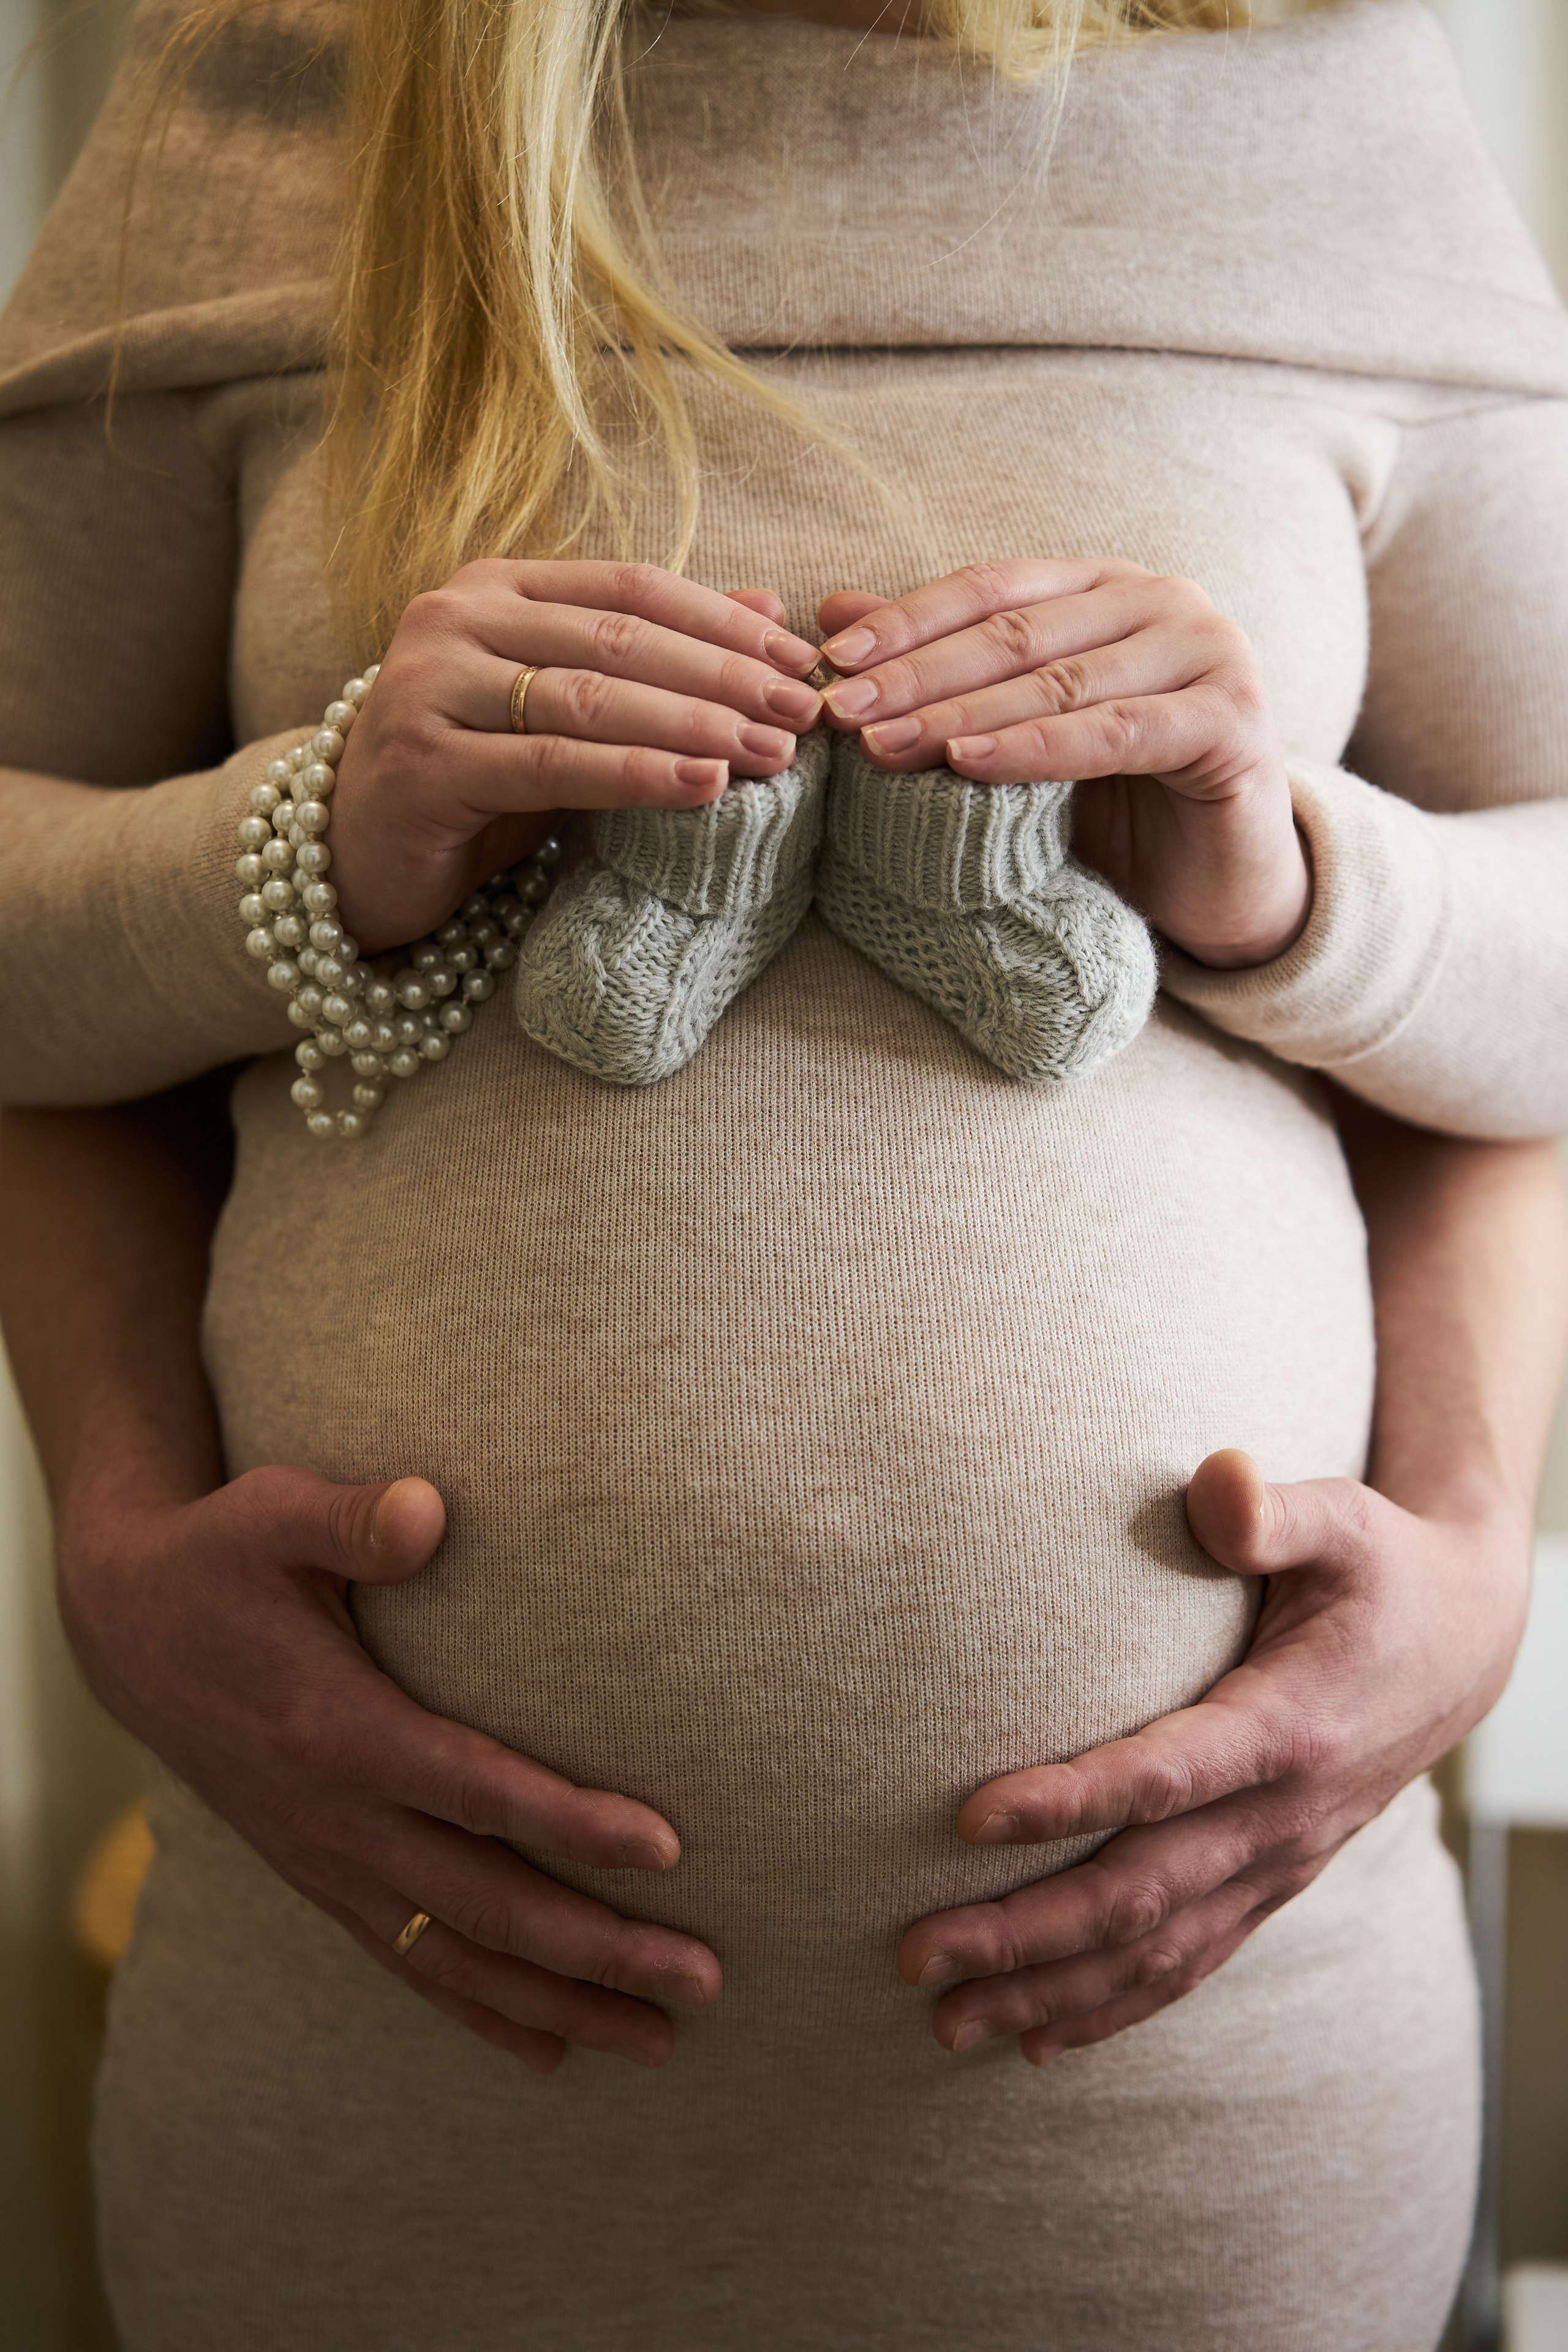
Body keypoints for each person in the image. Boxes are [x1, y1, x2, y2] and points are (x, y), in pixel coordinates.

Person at [1, 0, 1566, 2343]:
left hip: (1185, 2112)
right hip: (386, 2086)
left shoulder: (1315, 88)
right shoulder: (272, 80)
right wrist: (307, 837)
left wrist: (1289, 877)